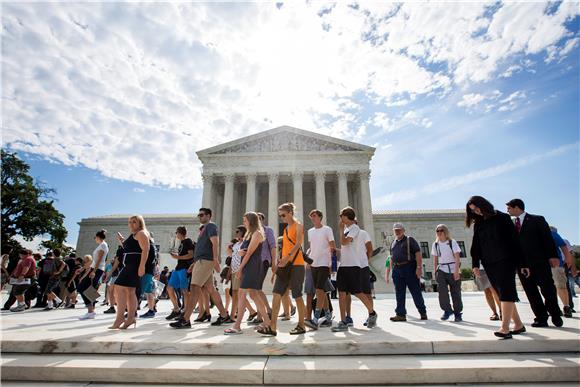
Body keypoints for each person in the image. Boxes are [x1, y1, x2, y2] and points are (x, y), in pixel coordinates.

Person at [469, 196, 529, 339]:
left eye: (477, 208)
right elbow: (476, 245)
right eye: (472, 210)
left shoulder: (502, 217)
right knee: (502, 294)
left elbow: (515, 241)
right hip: (489, 263)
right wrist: (475, 264)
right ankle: (519, 324)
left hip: (506, 260)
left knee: (507, 291)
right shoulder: (479, 223)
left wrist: (523, 263)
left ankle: (505, 328)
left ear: (484, 204)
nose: (476, 211)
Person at [505, 199, 563, 328]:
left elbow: (547, 239)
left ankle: (555, 314)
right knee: (531, 292)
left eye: (509, 208)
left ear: (517, 207)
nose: (507, 210)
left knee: (548, 289)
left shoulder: (537, 220)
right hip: (522, 265)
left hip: (539, 262)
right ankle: (541, 317)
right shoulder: (511, 225)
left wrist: (552, 256)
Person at [170, 208, 231, 329]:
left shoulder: (211, 226)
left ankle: (186, 319)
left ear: (209, 215)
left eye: (202, 215)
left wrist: (215, 259)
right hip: (201, 261)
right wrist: (194, 263)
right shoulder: (204, 229)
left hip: (206, 261)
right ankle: (224, 315)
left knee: (194, 288)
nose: (200, 217)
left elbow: (215, 243)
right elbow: (202, 247)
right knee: (211, 289)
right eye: (199, 215)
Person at [259, 203, 306, 336]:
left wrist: (288, 257)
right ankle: (272, 327)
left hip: (297, 264)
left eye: (283, 215)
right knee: (276, 293)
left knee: (297, 295)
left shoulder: (298, 226)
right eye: (280, 216)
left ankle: (301, 325)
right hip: (284, 265)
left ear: (291, 212)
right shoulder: (285, 229)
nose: (282, 218)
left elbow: (298, 244)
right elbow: (285, 247)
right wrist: (280, 260)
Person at [225, 212, 271, 334]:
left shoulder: (257, 233)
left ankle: (237, 325)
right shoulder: (249, 234)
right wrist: (240, 253)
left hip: (252, 266)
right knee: (253, 295)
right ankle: (267, 321)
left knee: (242, 294)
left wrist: (240, 269)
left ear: (251, 221)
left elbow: (250, 253)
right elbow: (246, 251)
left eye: (245, 220)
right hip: (248, 265)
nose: (243, 222)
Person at [331, 207, 377, 331]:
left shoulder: (355, 229)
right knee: (342, 294)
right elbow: (346, 247)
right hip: (344, 265)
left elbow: (345, 242)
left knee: (357, 292)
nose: (340, 218)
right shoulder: (347, 229)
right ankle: (343, 321)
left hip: (354, 265)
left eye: (341, 216)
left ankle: (372, 313)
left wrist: (340, 230)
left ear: (346, 216)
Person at [110, 215, 152, 329]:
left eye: (134, 222)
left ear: (140, 223)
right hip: (130, 265)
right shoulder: (135, 234)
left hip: (133, 266)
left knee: (118, 287)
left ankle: (120, 318)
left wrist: (142, 266)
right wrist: (122, 241)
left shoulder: (141, 233)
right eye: (129, 222)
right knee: (130, 291)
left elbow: (145, 249)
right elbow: (131, 248)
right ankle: (130, 318)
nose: (131, 224)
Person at [388, 222, 427, 322]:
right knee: (399, 292)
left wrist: (419, 268)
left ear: (403, 230)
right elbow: (391, 257)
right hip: (397, 269)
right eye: (395, 230)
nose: (397, 232)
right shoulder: (393, 243)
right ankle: (400, 314)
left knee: (415, 291)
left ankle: (422, 312)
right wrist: (390, 271)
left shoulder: (410, 240)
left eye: (399, 230)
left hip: (409, 267)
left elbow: (418, 253)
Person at [305, 209, 335, 329]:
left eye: (314, 216)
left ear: (320, 217)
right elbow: (312, 248)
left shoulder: (327, 229)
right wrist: (308, 261)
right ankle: (327, 318)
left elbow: (332, 246)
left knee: (319, 290)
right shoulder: (310, 231)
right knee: (322, 291)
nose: (312, 218)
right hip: (313, 264)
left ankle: (315, 318)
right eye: (311, 216)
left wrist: (332, 265)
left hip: (324, 263)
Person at [431, 224, 463, 322]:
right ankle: (447, 310)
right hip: (441, 269)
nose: (439, 232)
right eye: (437, 231)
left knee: (456, 292)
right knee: (442, 292)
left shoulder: (451, 242)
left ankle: (457, 313)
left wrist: (456, 271)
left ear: (445, 231)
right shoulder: (435, 244)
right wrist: (435, 271)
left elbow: (457, 257)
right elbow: (435, 259)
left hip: (453, 268)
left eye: (441, 230)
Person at [166, 227, 195, 321]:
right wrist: (176, 256)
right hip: (178, 268)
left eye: (176, 233)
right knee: (169, 288)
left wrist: (178, 257)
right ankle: (176, 309)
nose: (176, 235)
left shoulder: (188, 241)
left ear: (180, 233)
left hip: (184, 268)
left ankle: (185, 311)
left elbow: (191, 254)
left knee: (184, 290)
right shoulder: (181, 243)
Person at [549, 226, 574, 318]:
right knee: (549, 288)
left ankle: (566, 307)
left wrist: (568, 259)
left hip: (556, 264)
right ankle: (553, 308)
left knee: (561, 286)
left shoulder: (552, 233)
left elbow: (563, 246)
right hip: (543, 265)